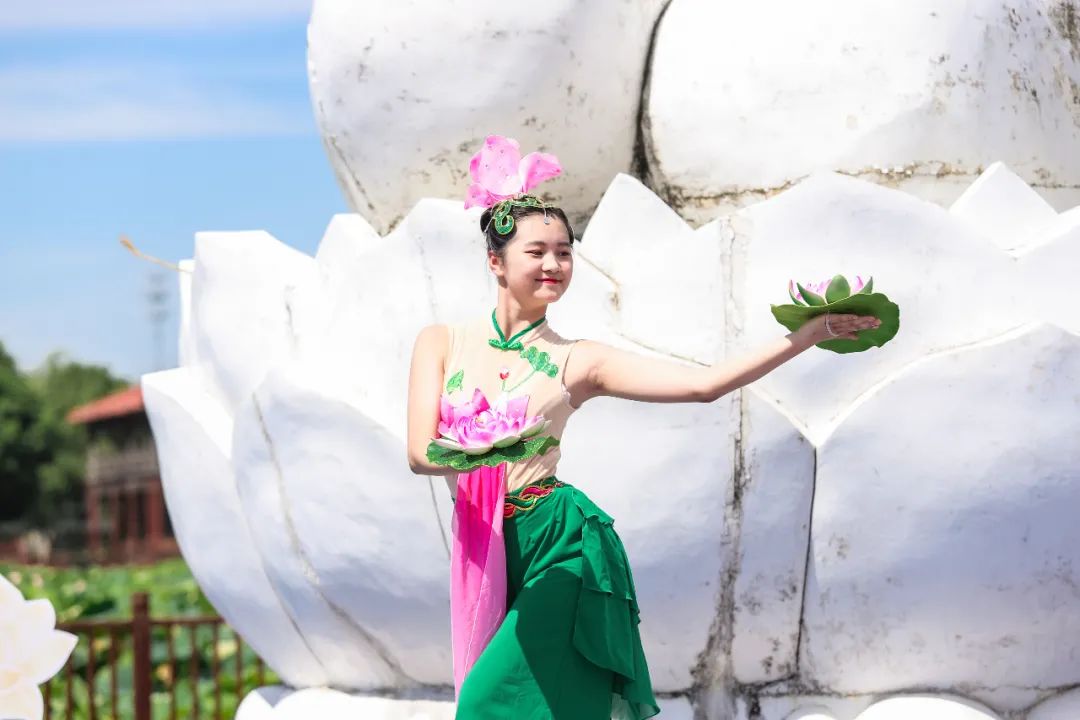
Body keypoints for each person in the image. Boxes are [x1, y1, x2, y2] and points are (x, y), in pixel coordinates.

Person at [406, 137, 880, 719]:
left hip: (559, 544)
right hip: (486, 543)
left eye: (565, 252)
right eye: (537, 251)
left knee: (486, 705)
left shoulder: (578, 359)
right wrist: (489, 450)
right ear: (495, 261)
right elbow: (420, 453)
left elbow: (704, 386)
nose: (554, 265)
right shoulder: (441, 342)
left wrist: (805, 337)